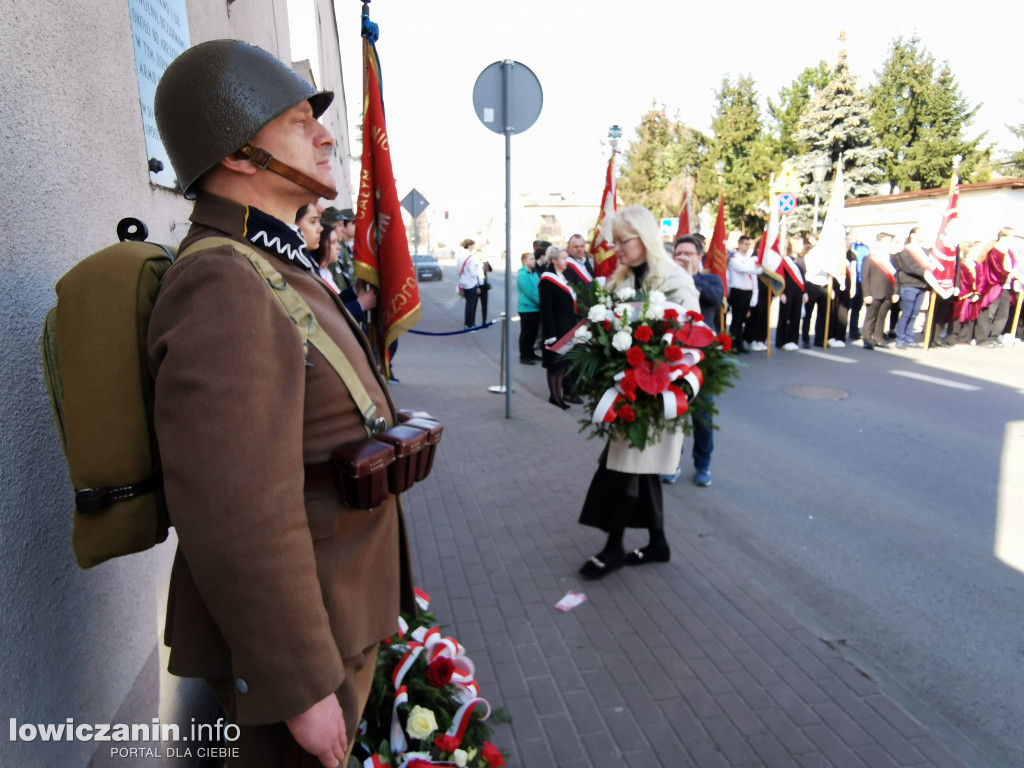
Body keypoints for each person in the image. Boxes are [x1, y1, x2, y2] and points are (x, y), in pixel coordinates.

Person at [151, 39, 414, 768]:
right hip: (294, 659)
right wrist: (297, 689)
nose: (326, 134)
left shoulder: (270, 261)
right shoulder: (226, 282)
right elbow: (236, 510)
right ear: (240, 154)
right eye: (300, 121)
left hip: (333, 619)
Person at [577, 206, 700, 580]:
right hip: (627, 392)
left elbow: (693, 336)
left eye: (622, 240)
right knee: (638, 470)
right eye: (614, 241)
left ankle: (613, 547)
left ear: (644, 237)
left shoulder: (675, 281)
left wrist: (658, 373)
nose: (616, 248)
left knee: (624, 470)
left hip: (655, 395)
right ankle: (658, 543)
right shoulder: (619, 281)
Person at [664, 235, 721, 487]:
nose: (683, 258)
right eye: (679, 254)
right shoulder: (665, 281)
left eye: (689, 253)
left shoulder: (710, 280)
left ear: (700, 257)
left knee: (702, 415)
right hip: (674, 355)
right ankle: (671, 462)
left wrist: (689, 277)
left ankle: (703, 465)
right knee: (672, 411)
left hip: (702, 357)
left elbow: (714, 299)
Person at [538, 245, 577, 409]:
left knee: (562, 365)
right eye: (562, 258)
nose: (566, 260)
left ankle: (559, 395)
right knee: (554, 364)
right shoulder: (547, 279)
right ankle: (554, 396)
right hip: (554, 329)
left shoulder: (563, 276)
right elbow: (546, 309)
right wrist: (550, 334)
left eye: (566, 257)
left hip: (566, 327)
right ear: (554, 260)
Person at [975, 227, 1018, 347]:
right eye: (1011, 236)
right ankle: (982, 337)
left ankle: (994, 336)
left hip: (1006, 287)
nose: (1012, 239)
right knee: (989, 312)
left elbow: (1015, 266)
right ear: (1003, 236)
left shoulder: (1009, 252)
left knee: (1003, 313)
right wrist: (1009, 274)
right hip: (994, 286)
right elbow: (997, 269)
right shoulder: (994, 251)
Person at [893, 226, 933, 349]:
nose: (922, 236)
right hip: (909, 285)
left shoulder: (924, 251)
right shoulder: (906, 251)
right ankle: (900, 338)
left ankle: (909, 338)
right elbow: (908, 267)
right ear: (912, 235)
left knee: (915, 314)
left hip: (921, 285)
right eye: (919, 233)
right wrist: (925, 273)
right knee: (906, 313)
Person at [860, 232, 898, 349]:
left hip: (888, 292)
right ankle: (867, 339)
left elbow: (896, 277)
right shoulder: (871, 258)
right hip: (874, 293)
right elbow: (865, 277)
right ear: (879, 242)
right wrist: (867, 294)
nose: (889, 244)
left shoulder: (890, 257)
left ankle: (878, 338)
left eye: (890, 241)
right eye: (887, 241)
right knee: (871, 317)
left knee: (882, 317)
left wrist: (896, 292)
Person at [725, 234, 758, 352]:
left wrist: (755, 295)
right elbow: (743, 269)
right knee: (736, 320)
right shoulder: (734, 259)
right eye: (745, 244)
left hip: (747, 291)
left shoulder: (749, 260)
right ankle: (732, 344)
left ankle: (740, 344)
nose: (747, 247)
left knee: (743, 319)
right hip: (737, 291)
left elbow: (753, 279)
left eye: (749, 244)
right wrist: (758, 270)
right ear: (739, 244)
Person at [775, 236, 808, 350]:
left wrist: (805, 292)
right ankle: (782, 340)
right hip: (787, 291)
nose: (802, 246)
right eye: (799, 244)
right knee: (785, 316)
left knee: (796, 316)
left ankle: (792, 339)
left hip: (798, 292)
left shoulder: (801, 260)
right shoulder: (784, 260)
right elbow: (780, 277)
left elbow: (803, 277)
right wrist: (781, 293)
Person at [517, 251, 541, 365]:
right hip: (527, 309)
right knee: (526, 333)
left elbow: (539, 289)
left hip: (535, 309)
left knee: (533, 333)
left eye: (534, 258)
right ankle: (524, 355)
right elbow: (530, 293)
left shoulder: (534, 273)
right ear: (524, 261)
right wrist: (541, 302)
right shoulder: (523, 274)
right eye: (531, 259)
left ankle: (531, 353)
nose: (534, 261)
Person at [456, 238, 481, 329]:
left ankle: (467, 323)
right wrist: (478, 270)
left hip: (463, 284)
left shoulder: (460, 257)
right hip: (471, 284)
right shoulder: (471, 258)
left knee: (468, 304)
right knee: (471, 305)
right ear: (469, 245)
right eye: (473, 245)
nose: (473, 247)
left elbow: (458, 271)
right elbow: (473, 273)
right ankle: (469, 325)